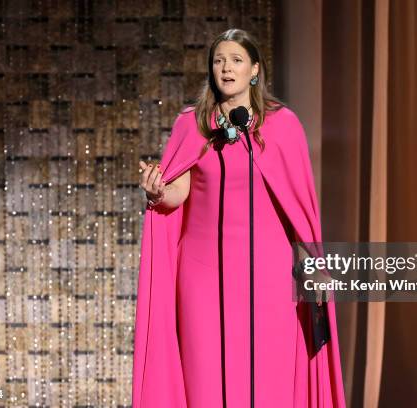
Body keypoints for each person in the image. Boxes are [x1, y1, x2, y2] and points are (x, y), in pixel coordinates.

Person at [132, 28, 346, 407]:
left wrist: (312, 263)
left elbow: (300, 208)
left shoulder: (283, 125)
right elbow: (177, 189)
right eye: (218, 61)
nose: (226, 68)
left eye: (235, 60)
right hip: (202, 277)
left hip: (270, 277)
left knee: (268, 379)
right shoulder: (192, 123)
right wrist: (158, 190)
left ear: (254, 70)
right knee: (206, 376)